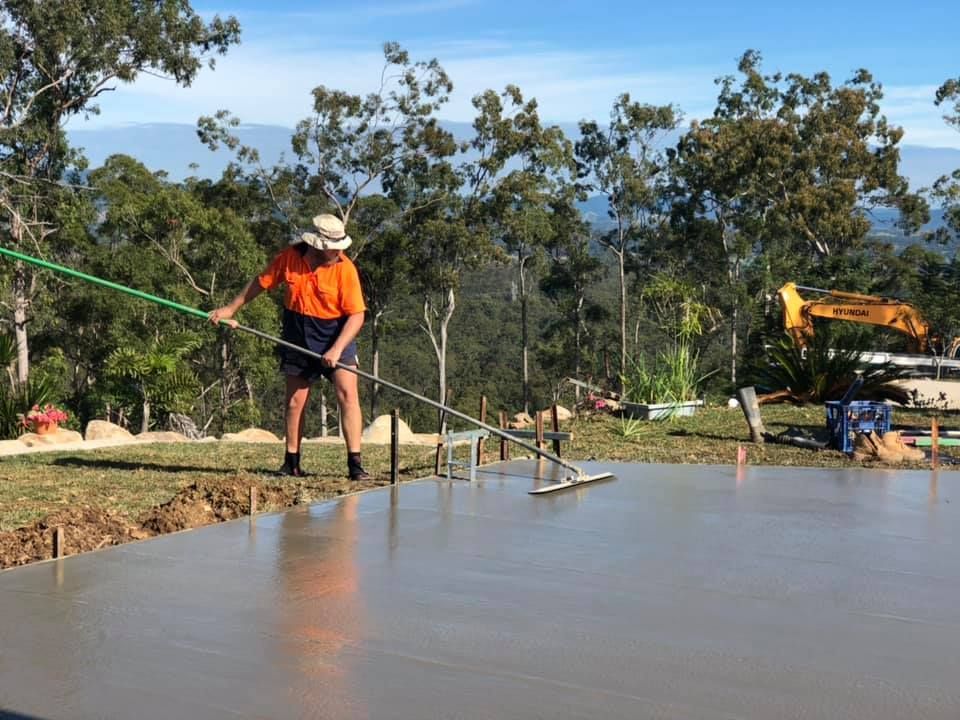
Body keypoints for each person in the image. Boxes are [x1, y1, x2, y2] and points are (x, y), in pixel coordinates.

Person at [209, 214, 369, 480]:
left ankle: (355, 464)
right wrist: (230, 309)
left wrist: (337, 349)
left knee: (348, 395)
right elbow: (260, 283)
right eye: (333, 247)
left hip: (336, 334)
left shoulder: (345, 268)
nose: (338, 252)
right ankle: (291, 462)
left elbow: (357, 315)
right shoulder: (290, 258)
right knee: (295, 401)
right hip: (298, 334)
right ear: (317, 244)